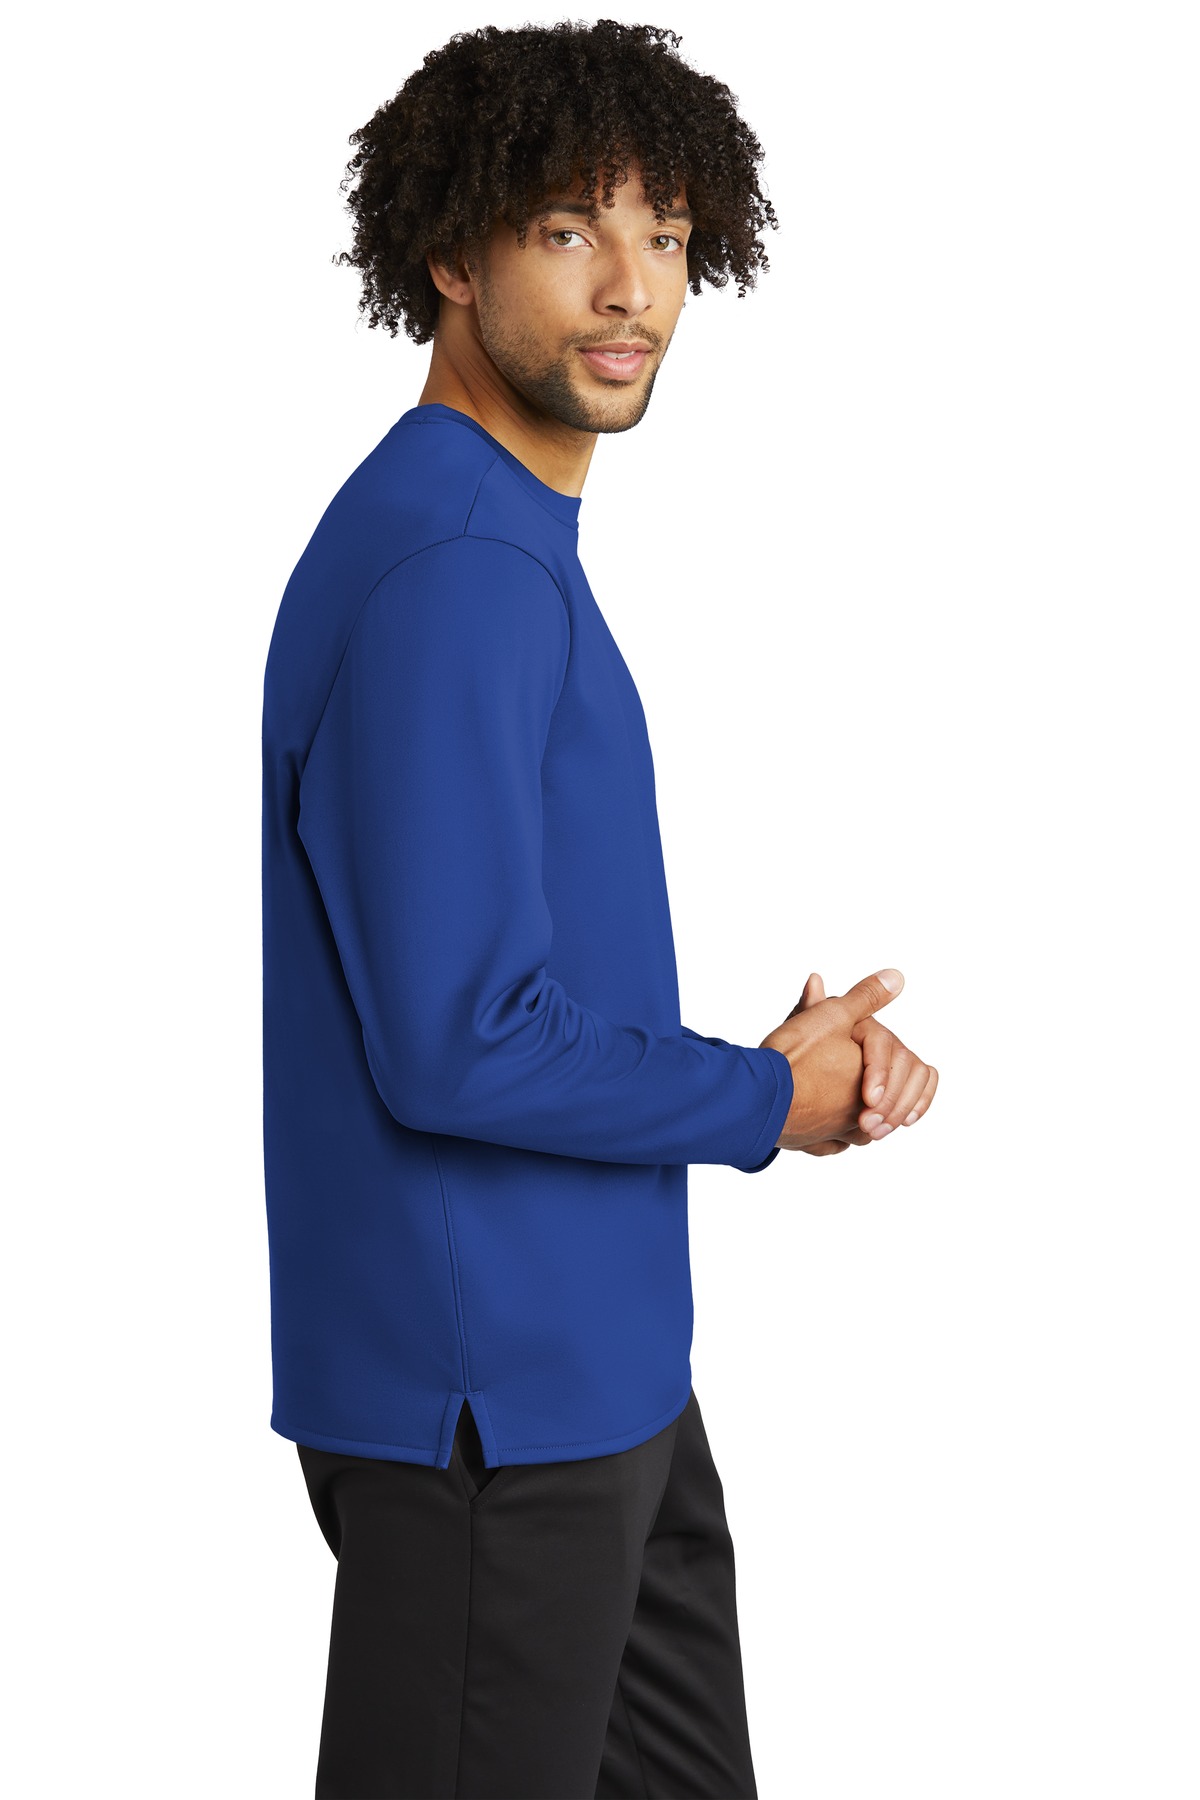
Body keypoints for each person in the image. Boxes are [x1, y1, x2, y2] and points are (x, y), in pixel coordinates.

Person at [261, 19, 938, 1798]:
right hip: (489, 1411)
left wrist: (761, 1067)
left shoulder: (496, 538)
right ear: (451, 252)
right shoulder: (456, 566)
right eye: (569, 230)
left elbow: (514, 974)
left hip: (606, 1372)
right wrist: (762, 1100)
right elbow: (458, 1042)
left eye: (668, 235)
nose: (632, 289)